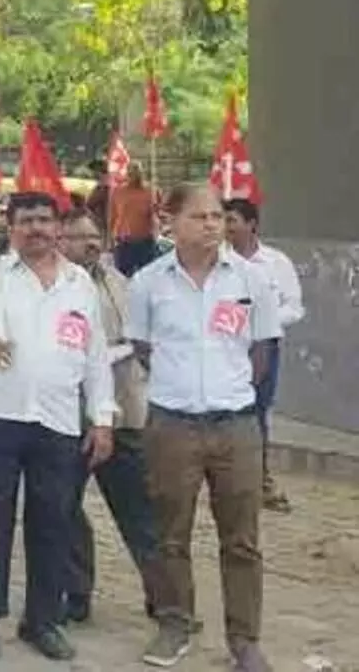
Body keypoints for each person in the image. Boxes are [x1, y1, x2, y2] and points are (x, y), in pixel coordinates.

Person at [0, 191, 115, 661]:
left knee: (53, 525)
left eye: (44, 220)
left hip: (58, 423)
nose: (37, 228)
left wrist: (102, 419)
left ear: (58, 226)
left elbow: (95, 357)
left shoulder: (79, 284)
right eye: (26, 221)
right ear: (10, 226)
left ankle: (41, 620)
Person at [128, 183, 280, 671]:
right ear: (170, 221)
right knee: (170, 533)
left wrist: (228, 392)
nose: (213, 224)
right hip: (172, 426)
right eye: (200, 216)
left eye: (217, 216)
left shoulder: (251, 281)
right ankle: (175, 624)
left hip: (236, 427)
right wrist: (182, 388)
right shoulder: (149, 283)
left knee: (242, 539)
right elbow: (143, 347)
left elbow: (261, 353)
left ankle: (245, 640)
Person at [57, 208, 160, 624]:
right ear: (61, 241)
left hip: (125, 415)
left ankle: (164, 595)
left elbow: (142, 338)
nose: (91, 243)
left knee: (140, 512)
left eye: (95, 235)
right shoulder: (58, 288)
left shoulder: (121, 282)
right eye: (80, 236)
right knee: (65, 509)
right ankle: (76, 592)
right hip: (71, 419)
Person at [223, 198, 304, 513]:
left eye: (232, 220)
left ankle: (261, 481)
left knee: (255, 414)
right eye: (224, 221)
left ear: (251, 224)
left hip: (263, 347)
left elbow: (295, 307)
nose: (226, 228)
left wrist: (262, 319)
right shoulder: (218, 262)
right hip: (226, 348)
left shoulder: (276, 263)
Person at [110, 162, 158, 276]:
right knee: (121, 278)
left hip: (145, 242)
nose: (133, 175)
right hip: (124, 243)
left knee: (147, 277)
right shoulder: (118, 192)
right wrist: (110, 239)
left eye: (136, 172)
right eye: (130, 172)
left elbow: (159, 214)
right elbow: (112, 216)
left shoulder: (151, 192)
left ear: (141, 174)